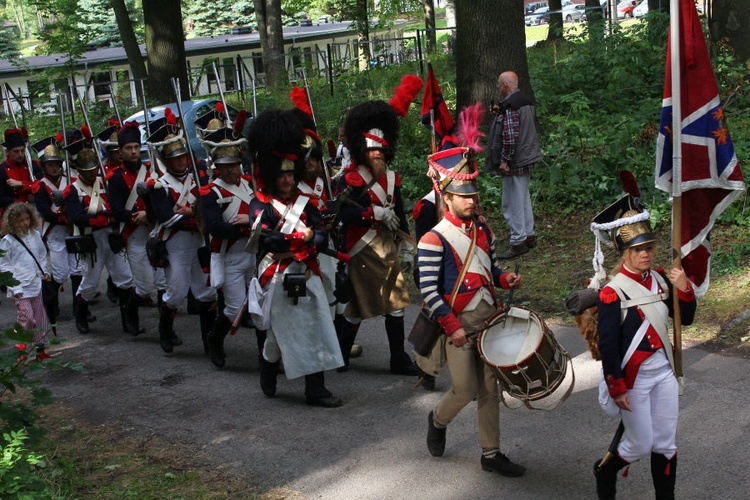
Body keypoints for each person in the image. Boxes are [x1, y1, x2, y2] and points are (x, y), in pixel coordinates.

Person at [418, 146, 526, 477]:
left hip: (489, 320)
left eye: (472, 195)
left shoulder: (484, 230)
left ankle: (490, 454)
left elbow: (491, 270)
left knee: (489, 390)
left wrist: (505, 279)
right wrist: (451, 325)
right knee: (464, 389)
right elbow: (428, 290)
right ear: (445, 197)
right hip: (458, 325)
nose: (470, 201)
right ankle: (437, 420)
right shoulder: (433, 240)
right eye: (461, 195)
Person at [591, 195, 696, 500]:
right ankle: (605, 471)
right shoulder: (612, 292)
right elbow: (608, 347)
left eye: (648, 247)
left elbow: (685, 319)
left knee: (665, 443)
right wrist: (617, 387)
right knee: (638, 444)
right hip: (632, 379)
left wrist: (684, 288)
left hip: (663, 372)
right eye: (637, 249)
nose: (645, 254)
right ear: (624, 253)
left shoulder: (663, 279)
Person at [249, 109, 344, 407]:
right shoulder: (260, 205)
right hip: (277, 275)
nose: (288, 179)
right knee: (281, 334)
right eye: (282, 174)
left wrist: (303, 241)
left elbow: (319, 235)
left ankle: (315, 389)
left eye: (291, 173)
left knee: (315, 326)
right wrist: (302, 239)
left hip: (306, 271)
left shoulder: (305, 203)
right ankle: (268, 364)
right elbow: (269, 240)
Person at [335, 99, 419, 376]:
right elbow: (343, 217)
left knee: (393, 306)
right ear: (362, 150)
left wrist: (407, 246)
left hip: (387, 247)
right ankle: (342, 355)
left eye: (381, 151)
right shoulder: (350, 179)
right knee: (359, 307)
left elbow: (401, 214)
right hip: (361, 247)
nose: (378, 155)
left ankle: (396, 358)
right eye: (373, 151)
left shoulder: (393, 179)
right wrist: (372, 213)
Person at [146, 119, 216, 354]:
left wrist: (192, 214)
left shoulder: (198, 176)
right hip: (175, 244)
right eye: (175, 158)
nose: (181, 161)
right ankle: (165, 329)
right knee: (176, 292)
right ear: (166, 161)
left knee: (206, 292)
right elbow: (167, 219)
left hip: (198, 242)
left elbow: (209, 207)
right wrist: (194, 217)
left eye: (183, 156)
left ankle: (209, 341)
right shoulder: (159, 185)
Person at [62, 138, 135, 335]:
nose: (92, 172)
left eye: (94, 168)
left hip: (110, 237)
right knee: (91, 283)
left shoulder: (105, 181)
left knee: (125, 278)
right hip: (90, 239)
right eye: (87, 170)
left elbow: (117, 207)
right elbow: (78, 218)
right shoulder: (72, 190)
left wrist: (100, 210)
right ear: (79, 170)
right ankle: (80, 315)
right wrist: (104, 218)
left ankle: (129, 322)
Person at [199, 126, 258, 369]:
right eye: (226, 166)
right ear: (217, 167)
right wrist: (249, 227)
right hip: (230, 256)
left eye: (234, 164)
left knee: (260, 306)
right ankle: (215, 340)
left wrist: (254, 223)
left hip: (254, 252)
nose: (232, 170)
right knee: (234, 308)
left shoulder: (250, 184)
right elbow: (215, 227)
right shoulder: (209, 193)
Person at [107, 121, 163, 331]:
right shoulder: (116, 178)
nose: (133, 152)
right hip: (134, 233)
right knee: (146, 285)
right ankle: (130, 311)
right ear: (120, 151)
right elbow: (117, 210)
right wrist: (136, 216)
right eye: (128, 148)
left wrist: (151, 215)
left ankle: (165, 328)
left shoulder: (151, 171)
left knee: (163, 282)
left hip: (154, 230)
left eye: (136, 147)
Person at [487, 71, 541, 260]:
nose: (498, 88)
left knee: (512, 203)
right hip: (526, 156)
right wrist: (500, 112)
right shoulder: (524, 101)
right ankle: (528, 236)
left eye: (498, 84)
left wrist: (504, 160)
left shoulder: (510, 106)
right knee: (523, 198)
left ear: (504, 84)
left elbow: (510, 137)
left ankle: (518, 242)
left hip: (516, 160)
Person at [0, 202, 52, 360]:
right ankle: (19, 348)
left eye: (27, 219)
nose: (25, 223)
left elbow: (41, 255)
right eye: (21, 220)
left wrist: (44, 271)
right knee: (27, 317)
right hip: (20, 285)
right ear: (13, 221)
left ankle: (40, 350)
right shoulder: (8, 240)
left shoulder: (35, 234)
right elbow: (4, 264)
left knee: (40, 317)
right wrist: (14, 287)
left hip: (35, 282)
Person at [30, 136, 70, 335]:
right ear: (44, 167)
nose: (54, 168)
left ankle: (82, 311)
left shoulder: (68, 180)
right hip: (54, 231)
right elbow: (45, 212)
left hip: (71, 230)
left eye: (56, 164)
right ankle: (49, 298)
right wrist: (66, 217)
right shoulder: (40, 186)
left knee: (79, 268)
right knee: (61, 272)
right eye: (50, 165)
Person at [1, 128, 42, 218]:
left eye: (22, 150)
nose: (20, 155)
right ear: (8, 152)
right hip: (12, 214)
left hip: (36, 212)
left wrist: (22, 184)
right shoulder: (2, 170)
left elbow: (42, 184)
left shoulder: (32, 165)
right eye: (16, 151)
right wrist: (21, 203)